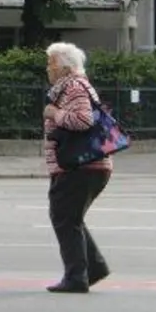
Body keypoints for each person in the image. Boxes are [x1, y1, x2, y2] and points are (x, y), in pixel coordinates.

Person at [42, 41, 112, 294]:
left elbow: (83, 120)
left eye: (51, 63)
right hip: (87, 165)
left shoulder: (72, 87)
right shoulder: (76, 86)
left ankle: (76, 277)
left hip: (80, 165)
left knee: (64, 217)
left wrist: (53, 114)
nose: (47, 68)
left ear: (64, 68)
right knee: (70, 217)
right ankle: (92, 268)